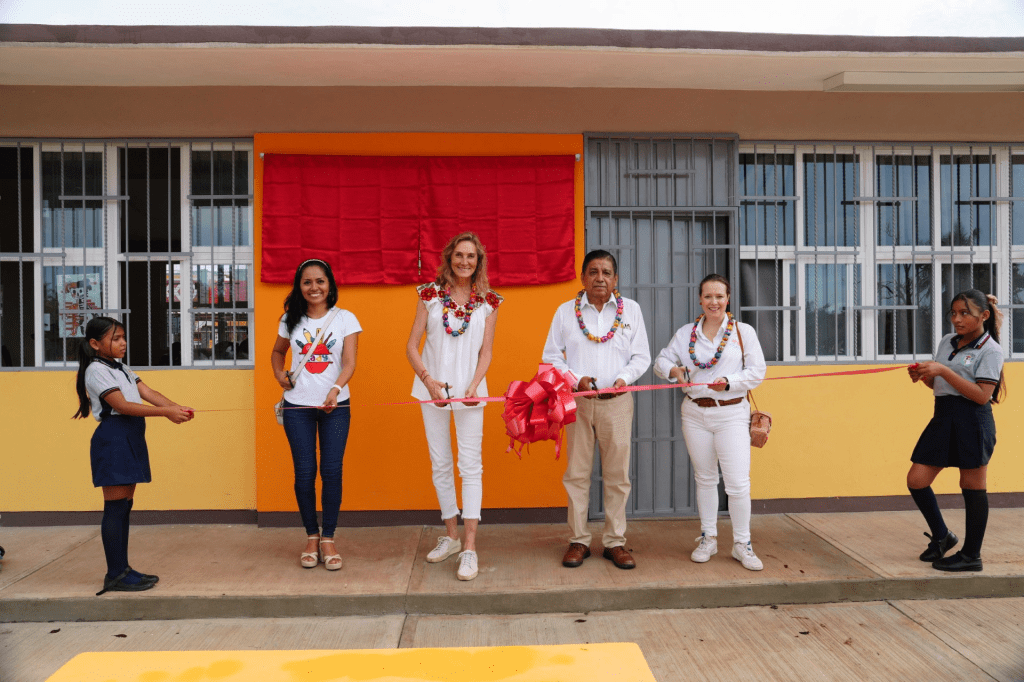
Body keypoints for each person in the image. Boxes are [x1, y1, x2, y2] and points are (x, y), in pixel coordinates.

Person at [542, 250, 650, 570]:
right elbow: (552, 358)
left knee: (617, 476)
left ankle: (615, 542)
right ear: (583, 277)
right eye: (593, 271)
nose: (599, 277)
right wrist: (576, 380)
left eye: (606, 272)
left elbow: (641, 357)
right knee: (576, 474)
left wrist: (623, 379)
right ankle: (579, 540)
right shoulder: (565, 312)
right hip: (578, 403)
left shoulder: (631, 310)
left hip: (617, 404)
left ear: (615, 279)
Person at [72, 316, 195, 595]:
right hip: (114, 439)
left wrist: (177, 407)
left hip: (130, 437)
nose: (123, 342)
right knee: (115, 508)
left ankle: (123, 569)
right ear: (95, 344)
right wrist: (166, 413)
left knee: (125, 505)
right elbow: (123, 406)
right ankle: (114, 573)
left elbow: (148, 392)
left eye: (123, 337)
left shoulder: (121, 367)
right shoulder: (96, 370)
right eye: (115, 338)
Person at [653, 274, 767, 571]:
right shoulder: (686, 333)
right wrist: (674, 371)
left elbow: (757, 372)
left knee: (738, 483)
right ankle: (709, 537)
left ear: (728, 299)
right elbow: (661, 361)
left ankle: (742, 544)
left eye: (719, 296)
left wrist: (728, 382)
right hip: (694, 413)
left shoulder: (743, 332)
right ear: (700, 300)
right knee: (704, 479)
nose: (714, 302)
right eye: (708, 296)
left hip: (731, 413)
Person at [406, 232, 501, 582]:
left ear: (479, 261)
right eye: (459, 255)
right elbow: (412, 346)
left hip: (471, 392)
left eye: (471, 256)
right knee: (441, 463)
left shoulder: (489, 301)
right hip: (431, 391)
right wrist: (429, 381)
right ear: (449, 258)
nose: (465, 261)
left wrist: (475, 385)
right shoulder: (429, 295)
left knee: (470, 465)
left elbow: (486, 351)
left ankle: (471, 547)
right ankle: (451, 536)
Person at [270, 259, 361, 571]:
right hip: (297, 407)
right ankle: (311, 536)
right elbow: (277, 352)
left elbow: (349, 362)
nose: (314, 288)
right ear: (300, 286)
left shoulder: (346, 319)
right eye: (307, 282)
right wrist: (279, 374)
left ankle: (329, 539)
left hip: (336, 406)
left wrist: (335, 390)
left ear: (330, 285)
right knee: (305, 473)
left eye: (320, 281)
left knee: (332, 473)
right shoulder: (290, 320)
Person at [906, 289, 1005, 573]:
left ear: (984, 316)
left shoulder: (991, 350)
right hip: (943, 417)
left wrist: (943, 371)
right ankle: (942, 536)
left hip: (973, 421)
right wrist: (924, 377)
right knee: (916, 479)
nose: (957, 320)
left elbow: (982, 396)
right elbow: (940, 386)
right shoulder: (947, 342)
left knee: (972, 486)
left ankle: (971, 555)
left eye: (965, 314)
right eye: (953, 313)